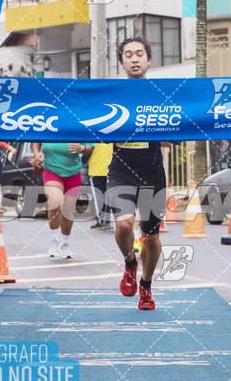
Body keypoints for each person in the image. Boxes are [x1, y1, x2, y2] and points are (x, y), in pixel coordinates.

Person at [106, 36, 167, 310]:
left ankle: (146, 286)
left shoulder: (161, 93)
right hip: (121, 169)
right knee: (124, 224)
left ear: (148, 60)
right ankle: (130, 262)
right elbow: (100, 129)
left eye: (139, 54)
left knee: (151, 236)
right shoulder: (113, 92)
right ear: (121, 62)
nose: (134, 58)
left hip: (153, 172)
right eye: (128, 54)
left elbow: (173, 135)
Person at [32, 141, 94, 258]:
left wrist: (82, 148)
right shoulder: (47, 123)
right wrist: (36, 153)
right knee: (55, 202)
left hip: (73, 172)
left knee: (67, 210)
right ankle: (54, 241)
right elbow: (36, 140)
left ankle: (65, 244)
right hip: (52, 170)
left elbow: (91, 146)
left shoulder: (77, 124)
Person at [88, 143, 114, 230]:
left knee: (98, 196)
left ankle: (101, 221)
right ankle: (107, 221)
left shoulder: (92, 131)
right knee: (108, 196)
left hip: (96, 168)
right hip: (111, 168)